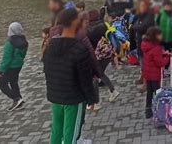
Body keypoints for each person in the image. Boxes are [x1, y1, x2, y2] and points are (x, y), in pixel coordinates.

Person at [43, 8, 98, 144]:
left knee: (56, 131)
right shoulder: (79, 49)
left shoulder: (50, 46)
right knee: (70, 134)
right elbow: (85, 79)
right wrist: (91, 99)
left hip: (56, 97)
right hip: (74, 100)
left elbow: (48, 72)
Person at [0, 22, 28, 111]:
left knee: (1, 83)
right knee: (13, 82)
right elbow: (23, 55)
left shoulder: (10, 42)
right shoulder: (24, 41)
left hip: (10, 67)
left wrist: (1, 71)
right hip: (18, 65)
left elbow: (6, 59)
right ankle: (19, 100)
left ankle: (16, 99)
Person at [141, 27, 170, 119]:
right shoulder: (156, 47)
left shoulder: (146, 45)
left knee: (149, 92)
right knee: (158, 92)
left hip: (147, 73)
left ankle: (148, 110)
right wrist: (167, 58)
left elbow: (152, 57)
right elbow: (160, 62)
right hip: (154, 74)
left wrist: (162, 54)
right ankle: (161, 111)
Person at [133, 0, 156, 87]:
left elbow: (142, 27)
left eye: (143, 5)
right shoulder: (140, 16)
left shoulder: (149, 16)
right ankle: (142, 77)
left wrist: (136, 26)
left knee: (146, 64)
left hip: (147, 44)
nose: (141, 7)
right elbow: (136, 24)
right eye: (140, 5)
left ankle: (146, 83)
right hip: (140, 43)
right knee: (141, 62)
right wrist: (136, 26)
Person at [95, 36, 120, 103]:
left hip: (101, 57)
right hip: (106, 56)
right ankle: (112, 91)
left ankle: (95, 102)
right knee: (100, 74)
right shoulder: (101, 37)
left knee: (97, 75)